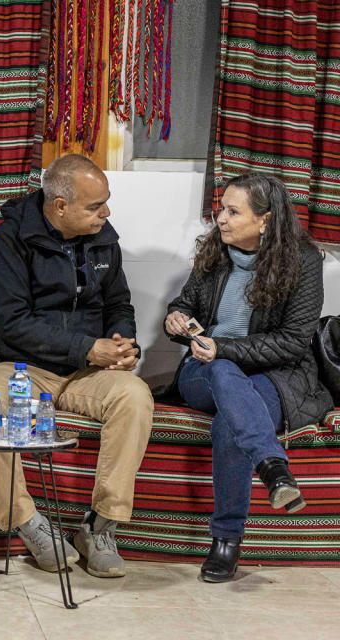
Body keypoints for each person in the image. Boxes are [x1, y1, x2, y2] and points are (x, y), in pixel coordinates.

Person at [0, 153, 153, 578]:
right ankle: (27, 524)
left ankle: (100, 526)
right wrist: (89, 348)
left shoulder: (104, 237)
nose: (105, 213)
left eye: (106, 202)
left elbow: (119, 303)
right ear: (60, 207)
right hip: (21, 366)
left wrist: (123, 342)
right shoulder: (11, 239)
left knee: (135, 396)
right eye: (94, 206)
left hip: (88, 372)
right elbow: (13, 323)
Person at [162, 172, 332, 583]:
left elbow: (293, 343)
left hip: (274, 377)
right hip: (203, 373)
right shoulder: (215, 252)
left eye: (233, 211)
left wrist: (225, 349)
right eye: (222, 209)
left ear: (266, 221)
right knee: (220, 370)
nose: (220, 219)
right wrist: (176, 318)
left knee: (230, 421)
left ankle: (226, 542)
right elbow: (184, 303)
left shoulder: (303, 261)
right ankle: (273, 467)